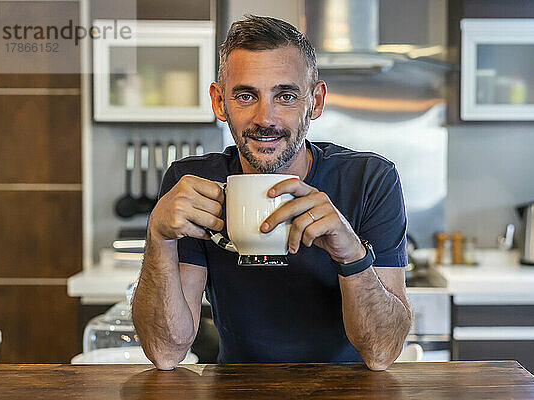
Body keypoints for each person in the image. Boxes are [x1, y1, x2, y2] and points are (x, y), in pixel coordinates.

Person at [132, 15, 412, 371]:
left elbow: (383, 352)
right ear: (220, 103)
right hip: (235, 391)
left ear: (316, 101)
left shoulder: (370, 179)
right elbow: (166, 352)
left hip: (350, 391)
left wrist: (350, 252)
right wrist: (158, 235)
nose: (266, 117)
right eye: (246, 95)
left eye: (286, 95)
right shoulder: (191, 182)